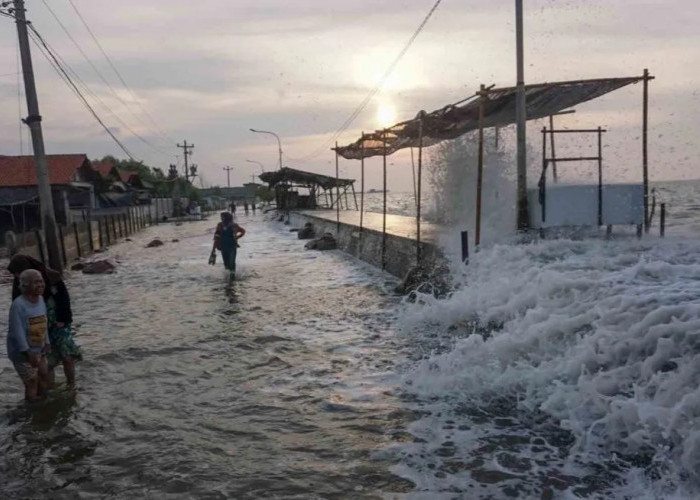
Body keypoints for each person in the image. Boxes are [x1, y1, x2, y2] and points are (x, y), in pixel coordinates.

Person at [7, 255, 82, 386]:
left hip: (59, 322)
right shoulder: (20, 282)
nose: (17, 276)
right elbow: (18, 309)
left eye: (18, 272)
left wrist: (62, 319)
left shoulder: (51, 276)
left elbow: (64, 299)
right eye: (15, 274)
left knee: (67, 355)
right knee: (47, 360)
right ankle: (50, 389)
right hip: (38, 326)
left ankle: (72, 385)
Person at [7, 269, 51, 401]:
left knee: (44, 375)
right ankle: (31, 409)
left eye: (41, 281)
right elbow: (17, 331)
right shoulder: (18, 305)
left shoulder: (41, 300)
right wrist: (27, 352)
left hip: (39, 348)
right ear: (25, 285)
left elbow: (44, 322)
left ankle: (44, 404)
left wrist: (47, 342)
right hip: (21, 352)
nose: (40, 285)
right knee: (31, 381)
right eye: (36, 282)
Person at [212, 212, 245, 280]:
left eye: (223, 217)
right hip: (223, 248)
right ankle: (228, 277)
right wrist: (213, 250)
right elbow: (216, 238)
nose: (221, 219)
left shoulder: (234, 225)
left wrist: (238, 237)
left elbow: (243, 231)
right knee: (226, 264)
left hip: (232, 247)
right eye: (221, 217)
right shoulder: (220, 226)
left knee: (232, 262)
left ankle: (232, 277)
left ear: (228, 218)